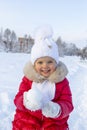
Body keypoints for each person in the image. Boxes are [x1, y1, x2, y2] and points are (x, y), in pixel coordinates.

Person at [12, 25, 74, 130]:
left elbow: (68, 103)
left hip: (53, 124)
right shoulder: (28, 79)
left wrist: (57, 109)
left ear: (56, 63)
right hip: (26, 123)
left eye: (50, 62)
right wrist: (25, 101)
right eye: (40, 62)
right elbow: (17, 99)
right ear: (34, 64)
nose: (45, 66)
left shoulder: (62, 82)